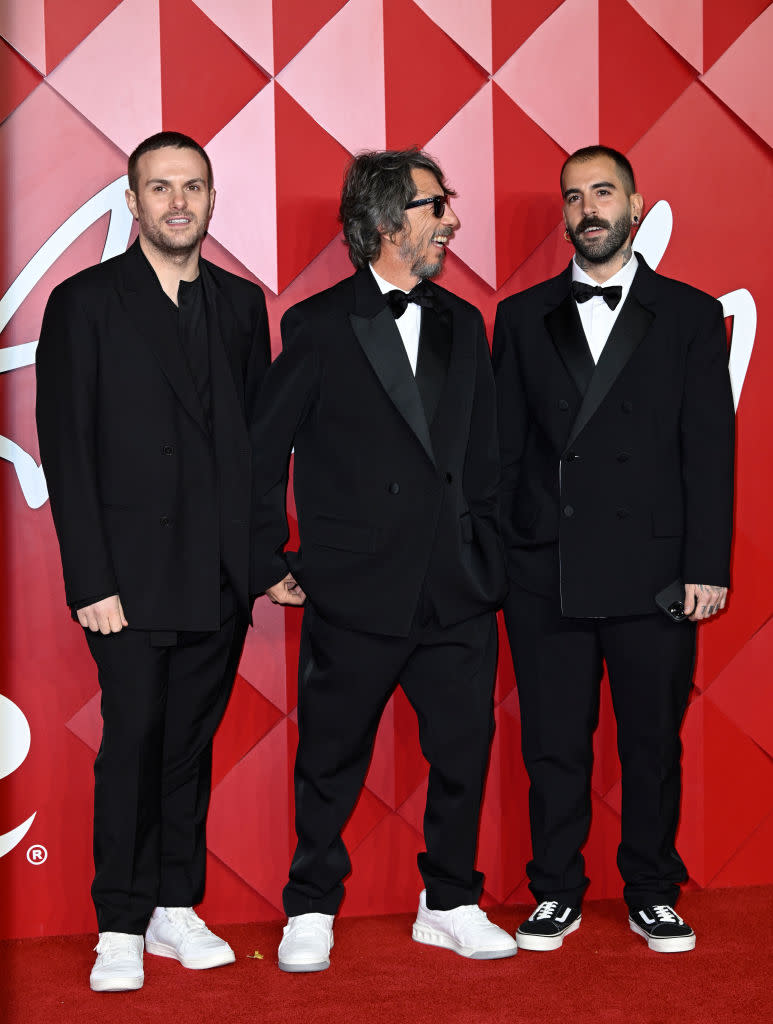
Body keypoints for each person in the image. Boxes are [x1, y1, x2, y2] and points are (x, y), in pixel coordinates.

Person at [251, 148, 516, 971]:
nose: (453, 220)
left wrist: (489, 557)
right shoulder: (317, 325)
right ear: (387, 221)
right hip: (356, 586)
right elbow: (265, 453)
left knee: (463, 753)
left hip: (456, 588)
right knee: (330, 757)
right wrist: (268, 556)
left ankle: (450, 899)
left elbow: (487, 457)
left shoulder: (463, 321)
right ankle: (312, 906)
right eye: (437, 205)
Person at [36, 132, 271, 991]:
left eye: (194, 187)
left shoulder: (244, 308)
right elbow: (68, 450)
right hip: (126, 583)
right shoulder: (85, 302)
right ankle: (120, 921)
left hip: (216, 575)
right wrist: (90, 580)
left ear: (212, 201)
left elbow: (253, 449)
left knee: (186, 747)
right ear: (131, 202)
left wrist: (258, 559)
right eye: (160, 187)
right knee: (132, 741)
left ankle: (177, 905)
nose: (179, 202)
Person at [492, 145, 734, 954]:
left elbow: (708, 447)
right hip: (544, 567)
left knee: (649, 743)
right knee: (553, 743)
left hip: (655, 570)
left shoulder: (691, 313)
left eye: (602, 193)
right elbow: (503, 451)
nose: (586, 209)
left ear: (635, 205)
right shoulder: (521, 316)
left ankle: (651, 889)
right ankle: (555, 887)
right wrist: (503, 555)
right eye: (572, 197)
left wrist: (705, 565)